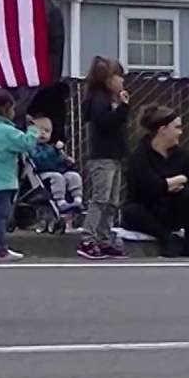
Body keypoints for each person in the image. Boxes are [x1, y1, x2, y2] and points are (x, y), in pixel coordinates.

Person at [122, 104, 189, 257]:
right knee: (131, 211)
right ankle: (167, 239)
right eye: (177, 128)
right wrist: (173, 181)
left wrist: (177, 182)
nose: (180, 132)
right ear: (163, 130)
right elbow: (148, 187)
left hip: (172, 208)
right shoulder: (139, 156)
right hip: (149, 211)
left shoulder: (182, 154)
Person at [0, 87, 40, 262]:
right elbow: (26, 143)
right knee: (1, 216)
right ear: (4, 108)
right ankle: (0, 249)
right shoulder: (5, 130)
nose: (14, 112)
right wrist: (34, 129)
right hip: (3, 180)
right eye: (12, 108)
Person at [78, 56, 130, 260]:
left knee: (111, 201)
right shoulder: (99, 100)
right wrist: (123, 108)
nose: (122, 82)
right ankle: (88, 238)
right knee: (100, 199)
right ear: (108, 79)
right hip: (103, 157)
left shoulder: (108, 100)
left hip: (113, 155)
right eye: (119, 77)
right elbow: (106, 123)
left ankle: (104, 238)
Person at [30, 115, 83, 214]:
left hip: (55, 171)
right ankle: (60, 201)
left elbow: (59, 161)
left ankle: (77, 200)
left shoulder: (50, 147)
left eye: (46, 131)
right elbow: (40, 161)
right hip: (41, 173)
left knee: (73, 176)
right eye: (39, 130)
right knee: (57, 177)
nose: (43, 133)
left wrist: (66, 161)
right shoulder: (33, 147)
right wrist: (55, 151)